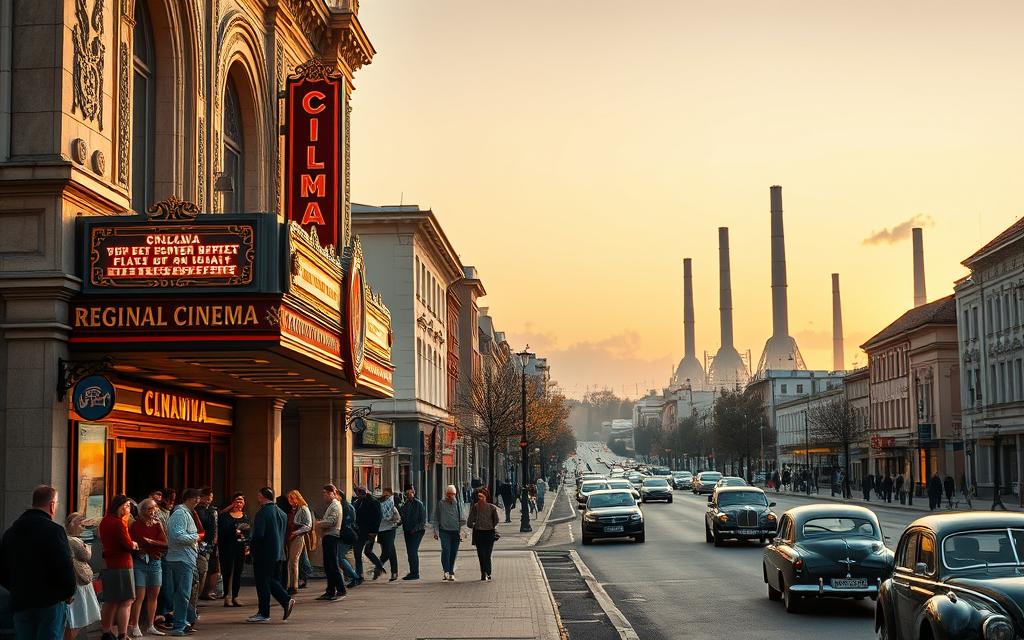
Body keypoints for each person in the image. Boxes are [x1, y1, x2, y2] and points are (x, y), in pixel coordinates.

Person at [0, 486, 76, 640]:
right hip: (50, 601)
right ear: (52, 505)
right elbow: (64, 567)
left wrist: (16, 588)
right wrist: (67, 592)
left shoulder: (11, 532)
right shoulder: (54, 531)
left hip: (21, 600)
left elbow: (2, 570)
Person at [247, 487, 294, 624]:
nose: (257, 498)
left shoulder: (262, 513)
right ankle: (266, 610)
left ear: (262, 496)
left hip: (264, 553)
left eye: (258, 496)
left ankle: (279, 603)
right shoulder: (281, 513)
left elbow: (259, 535)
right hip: (279, 553)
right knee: (271, 581)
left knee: (263, 582)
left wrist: (251, 548)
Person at [99, 495, 138, 640]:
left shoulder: (104, 521)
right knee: (127, 600)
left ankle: (106, 631)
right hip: (122, 564)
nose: (129, 509)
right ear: (120, 506)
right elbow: (127, 544)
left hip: (110, 564)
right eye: (127, 506)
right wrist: (134, 544)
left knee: (111, 600)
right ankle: (122, 634)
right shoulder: (118, 523)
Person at [128, 498, 167, 637]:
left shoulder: (158, 524)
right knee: (139, 596)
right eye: (150, 508)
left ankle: (151, 625)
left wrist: (151, 543)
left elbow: (164, 543)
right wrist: (148, 546)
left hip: (155, 561)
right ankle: (135, 625)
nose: (153, 511)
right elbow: (136, 543)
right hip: (140, 561)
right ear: (142, 510)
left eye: (155, 508)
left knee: (153, 595)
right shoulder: (135, 525)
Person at [165, 489, 201, 636]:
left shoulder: (184, 512)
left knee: (182, 593)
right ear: (189, 499)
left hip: (183, 558)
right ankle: (179, 625)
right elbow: (177, 536)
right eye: (196, 498)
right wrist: (196, 537)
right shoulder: (180, 513)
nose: (197, 501)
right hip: (182, 559)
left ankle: (185, 621)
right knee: (183, 594)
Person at [65, 512, 102, 640]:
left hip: (79, 580)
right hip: (79, 581)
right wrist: (88, 547)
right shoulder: (73, 540)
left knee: (77, 619)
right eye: (81, 524)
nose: (83, 528)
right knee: (77, 618)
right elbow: (86, 556)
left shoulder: (71, 538)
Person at [217, 493, 249, 608]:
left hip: (240, 546)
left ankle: (235, 596)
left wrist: (247, 545)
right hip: (227, 546)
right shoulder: (225, 516)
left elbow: (247, 531)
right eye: (237, 500)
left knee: (238, 571)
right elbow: (222, 532)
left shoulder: (245, 516)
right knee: (228, 571)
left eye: (241, 501)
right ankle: (227, 596)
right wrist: (233, 531)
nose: (239, 503)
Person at [315, 485, 345, 601]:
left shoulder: (335, 505)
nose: (324, 496)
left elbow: (332, 521)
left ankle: (340, 589)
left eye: (325, 493)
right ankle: (330, 590)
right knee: (329, 565)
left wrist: (319, 523)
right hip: (329, 536)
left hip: (331, 536)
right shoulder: (332, 505)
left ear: (332, 493)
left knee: (332, 564)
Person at [432, 485, 467, 582]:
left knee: (453, 552)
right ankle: (446, 571)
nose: (451, 496)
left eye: (453, 494)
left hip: (456, 532)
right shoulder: (441, 504)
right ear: (446, 494)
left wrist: (463, 529)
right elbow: (436, 518)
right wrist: (436, 531)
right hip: (444, 531)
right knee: (446, 550)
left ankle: (451, 571)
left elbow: (463, 519)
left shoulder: (458, 504)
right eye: (449, 494)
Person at [467, 488, 499, 581]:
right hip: (479, 533)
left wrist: (490, 525)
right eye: (478, 497)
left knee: (487, 554)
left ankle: (488, 572)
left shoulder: (492, 507)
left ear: (485, 497)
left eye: (481, 496)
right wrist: (473, 524)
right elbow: (469, 521)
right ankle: (483, 573)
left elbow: (496, 520)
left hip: (489, 533)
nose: (480, 498)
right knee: (481, 554)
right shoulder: (475, 507)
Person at [354, 488, 385, 580]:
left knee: (358, 551)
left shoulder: (373, 502)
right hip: (361, 531)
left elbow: (378, 517)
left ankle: (359, 574)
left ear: (363, 493)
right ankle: (379, 566)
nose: (357, 496)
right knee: (367, 551)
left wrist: (374, 532)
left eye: (358, 494)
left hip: (368, 532)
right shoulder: (359, 502)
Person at [285, 490, 312, 595]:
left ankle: (293, 586)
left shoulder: (303, 509)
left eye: (292, 498)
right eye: (289, 499)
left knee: (294, 561)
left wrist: (296, 532)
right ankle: (290, 584)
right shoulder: (292, 509)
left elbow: (308, 525)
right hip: (289, 536)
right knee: (291, 562)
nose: (290, 501)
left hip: (297, 537)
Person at [195, 488, 220, 601]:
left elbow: (214, 526)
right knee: (202, 569)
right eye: (207, 498)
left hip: (210, 542)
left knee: (212, 567)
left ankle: (208, 591)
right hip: (202, 543)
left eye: (211, 499)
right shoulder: (198, 510)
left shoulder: (210, 510)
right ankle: (199, 594)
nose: (209, 501)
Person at [399, 485, 426, 581]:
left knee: (413, 552)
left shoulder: (418, 504)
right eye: (407, 493)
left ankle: (415, 573)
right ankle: (413, 572)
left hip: (417, 531)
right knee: (410, 553)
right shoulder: (405, 504)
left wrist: (415, 529)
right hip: (408, 531)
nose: (409, 495)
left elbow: (422, 521)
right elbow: (403, 517)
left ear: (414, 493)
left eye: (410, 493)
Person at [338, 492, 361, 589]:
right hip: (345, 535)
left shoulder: (345, 507)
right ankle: (351, 575)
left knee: (340, 557)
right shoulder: (345, 506)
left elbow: (348, 522)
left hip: (347, 535)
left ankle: (355, 577)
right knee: (340, 557)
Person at [377, 488, 400, 582]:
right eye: (384, 494)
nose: (385, 496)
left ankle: (378, 566)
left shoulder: (392, 506)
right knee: (390, 551)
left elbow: (398, 518)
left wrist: (392, 519)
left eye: (387, 495)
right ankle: (393, 572)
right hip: (380, 531)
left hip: (389, 530)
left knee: (388, 551)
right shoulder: (379, 504)